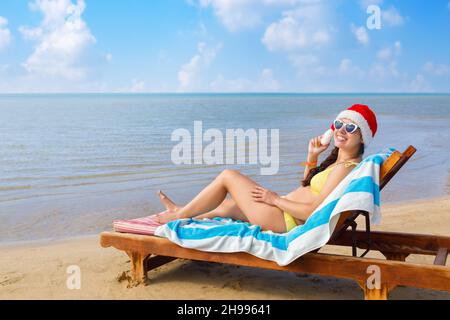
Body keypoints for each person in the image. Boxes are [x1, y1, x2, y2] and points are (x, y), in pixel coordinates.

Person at [156, 104, 378, 234]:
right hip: (283, 212)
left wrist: (274, 199)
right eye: (339, 124)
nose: (341, 130)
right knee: (226, 207)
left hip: (284, 218)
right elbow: (309, 187)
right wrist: (311, 156)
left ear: (362, 137)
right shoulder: (339, 164)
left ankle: (180, 215)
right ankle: (181, 212)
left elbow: (312, 211)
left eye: (351, 127)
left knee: (228, 176)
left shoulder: (347, 167)